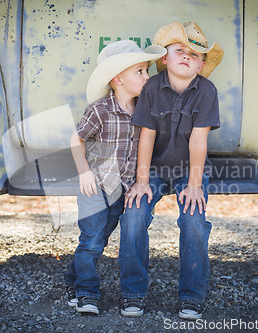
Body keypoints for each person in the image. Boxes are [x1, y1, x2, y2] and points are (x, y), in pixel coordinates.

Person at [118, 22, 224, 320]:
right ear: (165, 57)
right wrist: (141, 181)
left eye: (194, 54)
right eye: (180, 50)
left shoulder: (206, 91)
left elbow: (199, 139)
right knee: (134, 214)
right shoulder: (152, 87)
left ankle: (191, 297)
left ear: (202, 64)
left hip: (188, 170)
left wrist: (194, 185)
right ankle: (133, 294)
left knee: (193, 219)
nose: (187, 56)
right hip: (151, 169)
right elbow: (146, 136)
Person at [64, 40, 166, 315]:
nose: (147, 77)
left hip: (121, 190)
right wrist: (83, 171)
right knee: (92, 241)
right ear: (118, 79)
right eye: (141, 72)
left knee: (101, 238)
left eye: (146, 71)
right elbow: (77, 138)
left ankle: (73, 281)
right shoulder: (100, 110)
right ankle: (87, 293)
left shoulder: (142, 111)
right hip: (95, 188)